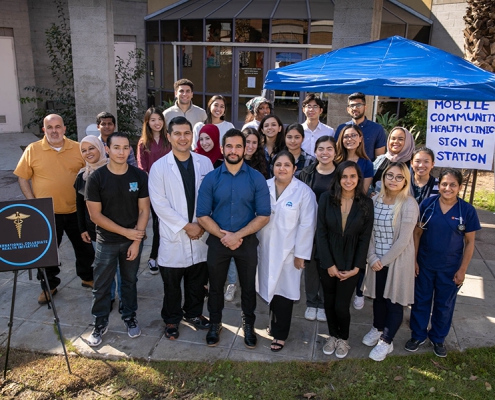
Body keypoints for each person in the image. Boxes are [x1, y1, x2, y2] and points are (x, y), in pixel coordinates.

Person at [197, 129, 271, 348]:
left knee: (248, 287)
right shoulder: (211, 178)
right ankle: (215, 324)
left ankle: (248, 325)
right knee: (216, 287)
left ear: (246, 148)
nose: (234, 150)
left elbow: (264, 215)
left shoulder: (257, 178)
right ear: (222, 148)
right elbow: (202, 214)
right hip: (218, 242)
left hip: (246, 241)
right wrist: (224, 236)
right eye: (229, 146)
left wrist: (237, 235)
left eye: (239, 146)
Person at [14, 114, 95, 304]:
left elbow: (92, 173)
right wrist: (33, 203)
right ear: (44, 130)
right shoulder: (33, 150)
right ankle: (49, 285)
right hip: (46, 213)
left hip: (77, 211)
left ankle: (87, 277)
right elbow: (22, 178)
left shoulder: (77, 148)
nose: (54, 131)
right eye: (50, 127)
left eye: (58, 126)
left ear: (64, 128)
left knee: (85, 248)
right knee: (48, 253)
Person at [149, 116, 213, 340]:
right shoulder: (159, 168)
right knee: (172, 284)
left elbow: (209, 196)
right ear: (169, 136)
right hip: (174, 235)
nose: (183, 138)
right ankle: (171, 319)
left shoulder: (204, 163)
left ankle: (194, 314)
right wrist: (187, 226)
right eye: (177, 133)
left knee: (197, 280)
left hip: (200, 232)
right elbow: (159, 204)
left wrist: (201, 224)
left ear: (191, 135)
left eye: (187, 133)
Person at [405, 169, 481, 358]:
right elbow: (416, 233)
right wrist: (414, 260)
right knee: (421, 300)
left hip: (450, 268)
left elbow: (470, 242)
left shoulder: (467, 211)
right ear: (439, 186)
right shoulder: (428, 205)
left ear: (460, 187)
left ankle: (438, 338)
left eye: (452, 185)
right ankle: (418, 335)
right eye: (444, 184)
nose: (447, 188)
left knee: (444, 304)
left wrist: (462, 270)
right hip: (425, 264)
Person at [85, 132, 150, 346]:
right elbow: (95, 216)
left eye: (125, 148)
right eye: (116, 147)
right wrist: (127, 233)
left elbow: (143, 210)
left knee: (129, 282)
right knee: (102, 285)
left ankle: (129, 317)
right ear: (107, 149)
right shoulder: (97, 178)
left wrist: (136, 241)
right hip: (106, 242)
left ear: (130, 150)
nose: (121, 152)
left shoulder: (139, 176)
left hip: (132, 242)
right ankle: (99, 322)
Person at [257, 151, 317, 352]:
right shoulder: (263, 187)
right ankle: (274, 325)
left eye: (286, 165)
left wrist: (301, 254)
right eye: (278, 164)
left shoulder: (304, 192)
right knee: (270, 288)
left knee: (284, 293)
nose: (281, 168)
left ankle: (280, 334)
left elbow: (307, 225)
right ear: (272, 167)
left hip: (289, 252)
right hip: (264, 248)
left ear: (294, 168)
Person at [361, 162, 419, 361]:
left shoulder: (409, 203)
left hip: (396, 262)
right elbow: (368, 233)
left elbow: (404, 240)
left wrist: (383, 261)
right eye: (390, 175)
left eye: (399, 177)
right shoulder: (375, 200)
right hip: (376, 259)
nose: (393, 180)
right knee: (378, 298)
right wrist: (372, 257)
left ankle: (386, 341)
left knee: (393, 302)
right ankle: (377, 328)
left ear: (405, 180)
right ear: (383, 177)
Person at [316, 160, 373, 359]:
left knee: (342, 305)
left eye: (353, 176)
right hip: (328, 259)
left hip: (351, 262)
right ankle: (332, 335)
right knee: (329, 303)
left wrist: (357, 267)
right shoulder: (326, 198)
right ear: (338, 179)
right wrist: (329, 264)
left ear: (358, 178)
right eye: (344, 176)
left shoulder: (366, 203)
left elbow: (365, 238)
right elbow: (320, 233)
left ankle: (344, 339)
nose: (348, 180)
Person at [224, 128, 269, 303]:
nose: (250, 146)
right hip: (234, 215)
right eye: (247, 142)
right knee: (232, 247)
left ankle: (251, 283)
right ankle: (233, 283)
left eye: (253, 142)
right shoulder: (229, 162)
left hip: (255, 216)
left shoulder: (262, 165)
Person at [298, 136, 337, 322]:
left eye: (329, 149)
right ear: (315, 152)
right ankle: (312, 302)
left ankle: (323, 303)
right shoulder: (306, 173)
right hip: (310, 227)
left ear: (335, 152)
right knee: (311, 266)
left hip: (333, 229)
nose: (325, 153)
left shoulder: (342, 174)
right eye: (321, 149)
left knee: (327, 265)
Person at [137, 107, 171, 275]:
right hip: (153, 189)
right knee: (157, 224)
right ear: (147, 122)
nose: (157, 123)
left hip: (171, 188)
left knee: (169, 222)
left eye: (159, 119)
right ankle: (153, 257)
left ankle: (167, 253)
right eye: (153, 120)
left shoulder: (169, 139)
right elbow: (142, 168)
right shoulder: (143, 142)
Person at [75, 136, 108, 246]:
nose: (88, 153)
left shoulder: (114, 170)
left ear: (100, 148)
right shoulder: (83, 176)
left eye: (91, 148)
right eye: (84, 150)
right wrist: (82, 229)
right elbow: (80, 205)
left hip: (118, 231)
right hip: (94, 231)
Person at [334, 92, 387, 162]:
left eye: (358, 105)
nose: (355, 108)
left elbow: (379, 159)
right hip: (344, 170)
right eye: (352, 106)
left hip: (367, 171)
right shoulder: (342, 128)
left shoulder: (377, 129)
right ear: (348, 109)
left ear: (365, 107)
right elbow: (337, 152)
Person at [370, 126, 415, 195]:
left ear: (407, 141)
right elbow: (369, 182)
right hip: (378, 203)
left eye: (400, 139)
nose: (396, 142)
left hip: (402, 204)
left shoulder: (413, 164)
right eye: (393, 138)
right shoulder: (381, 160)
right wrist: (371, 194)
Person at [335, 124, 373, 194]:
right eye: (346, 136)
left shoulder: (367, 164)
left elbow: (363, 192)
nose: (350, 139)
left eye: (353, 135)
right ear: (342, 140)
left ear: (360, 139)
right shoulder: (335, 161)